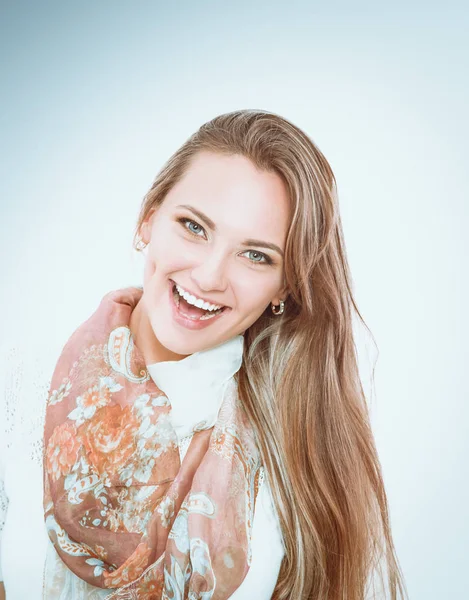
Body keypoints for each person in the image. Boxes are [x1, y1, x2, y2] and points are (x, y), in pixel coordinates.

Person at [0, 109, 408, 599]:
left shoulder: (299, 442)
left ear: (285, 286)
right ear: (148, 218)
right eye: (194, 227)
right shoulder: (18, 387)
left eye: (256, 255)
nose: (210, 276)